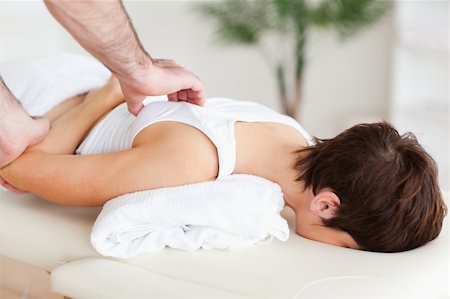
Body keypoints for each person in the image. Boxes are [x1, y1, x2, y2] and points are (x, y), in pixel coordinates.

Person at [0, 77, 446, 253]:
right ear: (326, 205)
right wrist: (106, 95)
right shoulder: (188, 161)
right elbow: (16, 167)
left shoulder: (290, 134)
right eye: (348, 246)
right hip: (35, 95)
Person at [0, 0, 205, 169]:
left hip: (63, 87)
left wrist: (110, 93)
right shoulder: (193, 153)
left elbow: (22, 167)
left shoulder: (191, 156)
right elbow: (20, 165)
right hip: (70, 81)